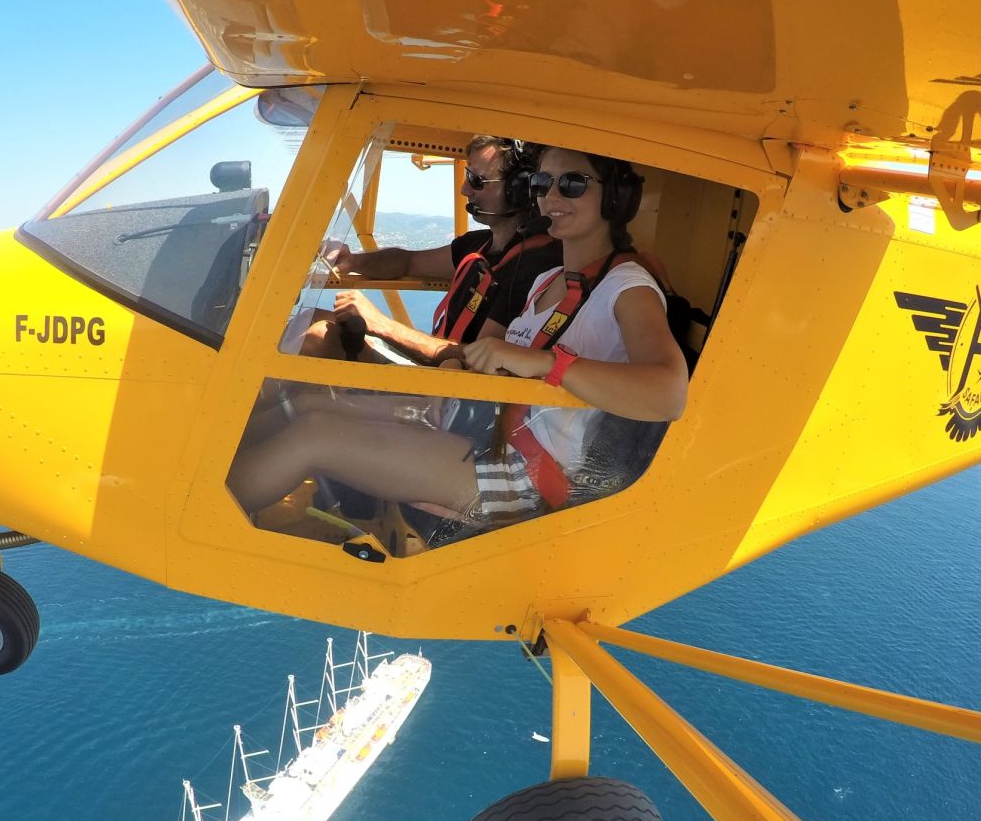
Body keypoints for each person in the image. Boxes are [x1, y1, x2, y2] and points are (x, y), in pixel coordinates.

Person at [229, 147, 687, 529]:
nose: (550, 196)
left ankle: (193, 514)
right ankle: (209, 468)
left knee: (314, 435)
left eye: (572, 184)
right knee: (308, 405)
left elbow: (668, 394)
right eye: (541, 184)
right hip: (491, 433)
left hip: (529, 475)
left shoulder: (628, 287)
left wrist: (550, 364)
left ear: (616, 199)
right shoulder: (548, 279)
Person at [299, 136, 563, 364]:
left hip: (454, 388)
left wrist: (380, 324)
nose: (464, 189)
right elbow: (406, 262)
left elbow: (480, 360)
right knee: (309, 319)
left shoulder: (533, 266)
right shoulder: (478, 245)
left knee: (318, 338)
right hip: (437, 362)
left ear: (518, 190)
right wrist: (355, 261)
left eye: (476, 180)